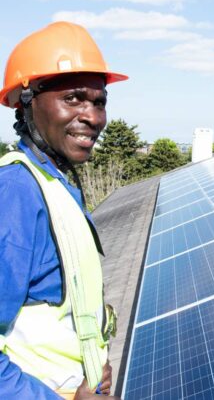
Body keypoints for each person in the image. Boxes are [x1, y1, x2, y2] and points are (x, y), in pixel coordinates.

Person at [0, 22, 128, 399]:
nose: (93, 116)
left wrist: (93, 364)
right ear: (27, 102)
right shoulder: (15, 195)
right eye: (72, 98)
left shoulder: (56, 185)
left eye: (99, 101)